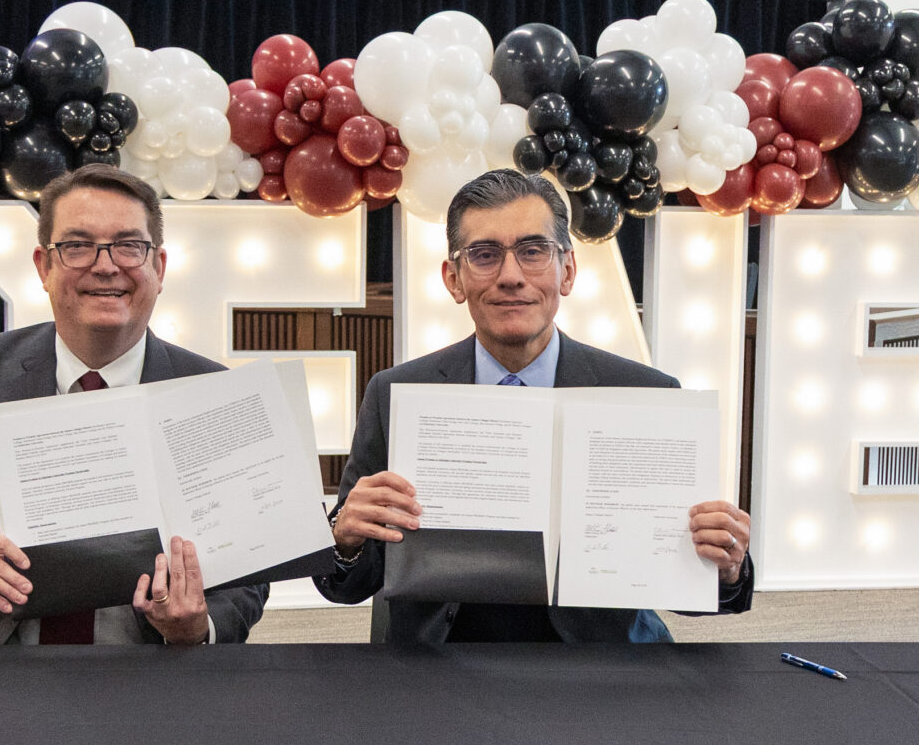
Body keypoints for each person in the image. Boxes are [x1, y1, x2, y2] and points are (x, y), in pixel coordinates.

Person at [318, 169, 755, 644]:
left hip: (596, 663)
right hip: (440, 663)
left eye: (532, 251)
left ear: (567, 271)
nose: (511, 276)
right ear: (454, 279)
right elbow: (345, 585)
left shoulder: (648, 396)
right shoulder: (395, 393)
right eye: (484, 255)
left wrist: (725, 566)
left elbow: (692, 593)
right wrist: (344, 539)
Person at [0, 164, 267, 646]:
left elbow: (249, 575)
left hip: (152, 669)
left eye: (129, 245)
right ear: (44, 266)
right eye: (77, 246)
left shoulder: (211, 394)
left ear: (159, 267)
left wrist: (197, 627)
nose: (106, 265)